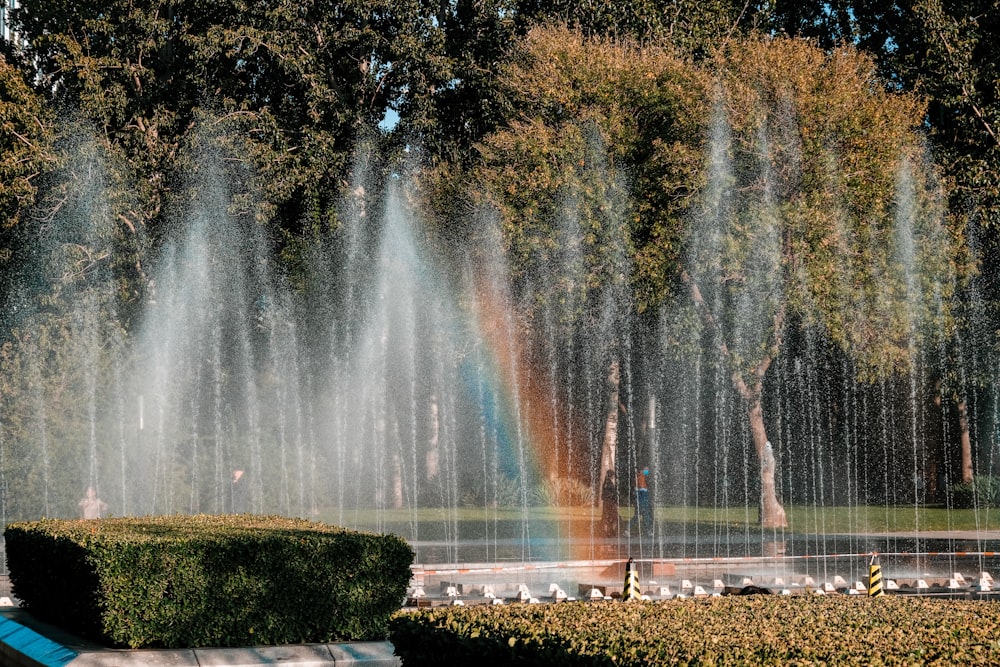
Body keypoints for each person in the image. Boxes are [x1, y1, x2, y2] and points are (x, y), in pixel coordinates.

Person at [633, 468, 653, 537]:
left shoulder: (640, 477)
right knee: (645, 517)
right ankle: (648, 532)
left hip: (641, 501)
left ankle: (648, 531)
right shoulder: (641, 478)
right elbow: (642, 491)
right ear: (641, 471)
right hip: (643, 502)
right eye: (645, 470)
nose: (647, 471)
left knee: (640, 517)